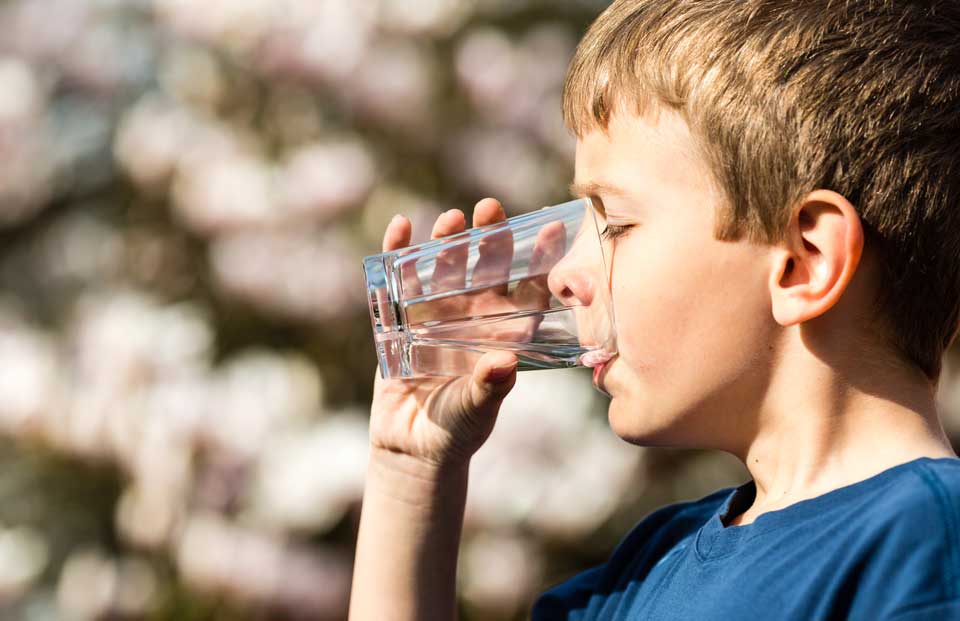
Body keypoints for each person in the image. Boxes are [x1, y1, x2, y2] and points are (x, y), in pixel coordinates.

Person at [348, 1, 960, 619]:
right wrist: (411, 472)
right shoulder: (643, 568)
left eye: (613, 224)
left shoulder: (924, 546)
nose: (562, 274)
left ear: (804, 261)